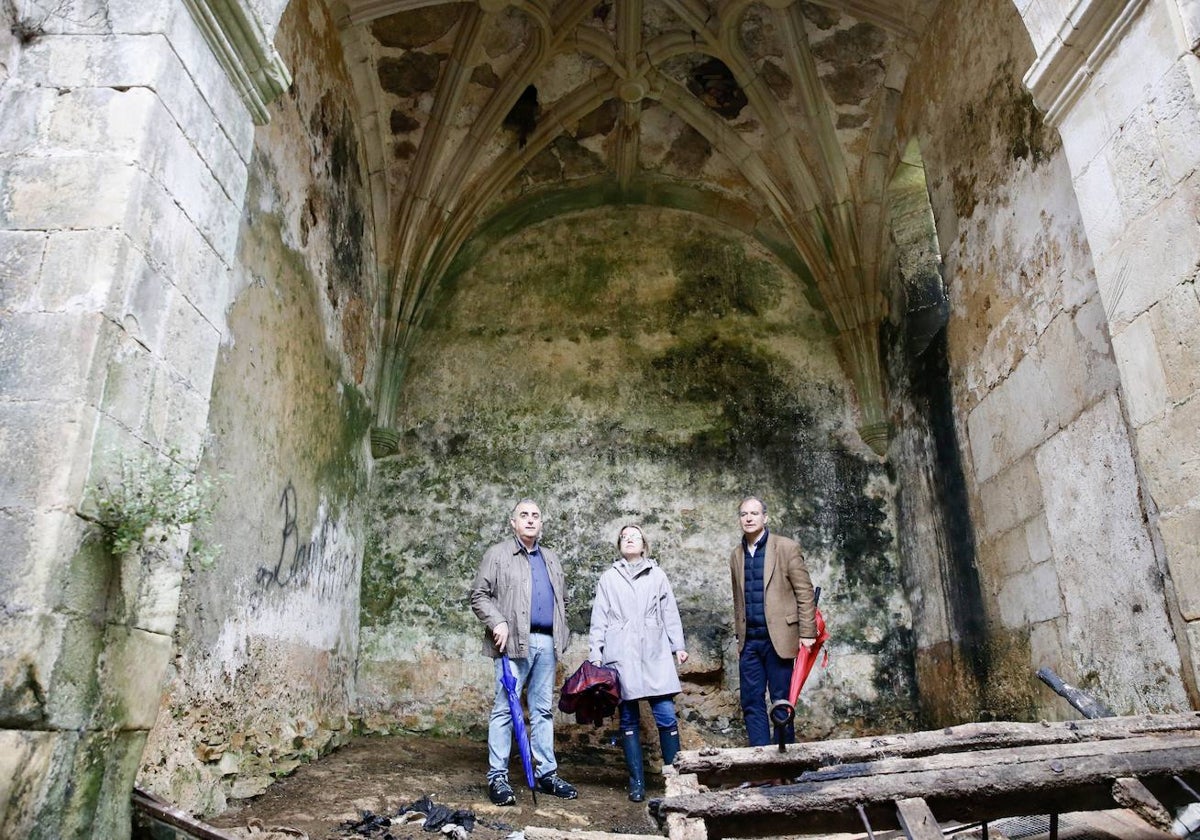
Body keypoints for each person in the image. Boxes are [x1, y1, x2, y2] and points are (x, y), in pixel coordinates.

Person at [470, 499, 578, 805]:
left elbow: (563, 602)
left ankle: (546, 774)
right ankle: (498, 777)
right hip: (513, 641)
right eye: (524, 515)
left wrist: (562, 632)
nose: (530, 520)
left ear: (541, 523)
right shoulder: (498, 554)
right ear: (513, 523)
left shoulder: (551, 558)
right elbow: (478, 595)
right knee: (505, 709)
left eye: (535, 516)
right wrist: (498, 621)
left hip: (547, 643)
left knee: (543, 711)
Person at [588, 524, 688, 802]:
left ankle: (676, 781)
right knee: (629, 719)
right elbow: (600, 617)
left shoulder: (658, 576)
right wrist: (595, 652)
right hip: (622, 652)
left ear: (644, 545)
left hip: (654, 651)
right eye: (624, 537)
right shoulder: (609, 578)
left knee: (666, 716)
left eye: (635, 537)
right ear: (619, 545)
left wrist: (677, 645)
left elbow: (670, 612)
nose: (629, 540)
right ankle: (637, 783)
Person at [728, 496, 816, 747]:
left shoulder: (786, 547)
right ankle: (760, 764)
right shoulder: (736, 555)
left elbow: (804, 592)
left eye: (754, 513)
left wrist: (807, 632)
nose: (748, 518)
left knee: (781, 700)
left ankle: (783, 763)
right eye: (744, 514)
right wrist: (739, 638)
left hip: (780, 638)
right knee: (751, 701)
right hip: (750, 642)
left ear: (765, 517)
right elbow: (738, 600)